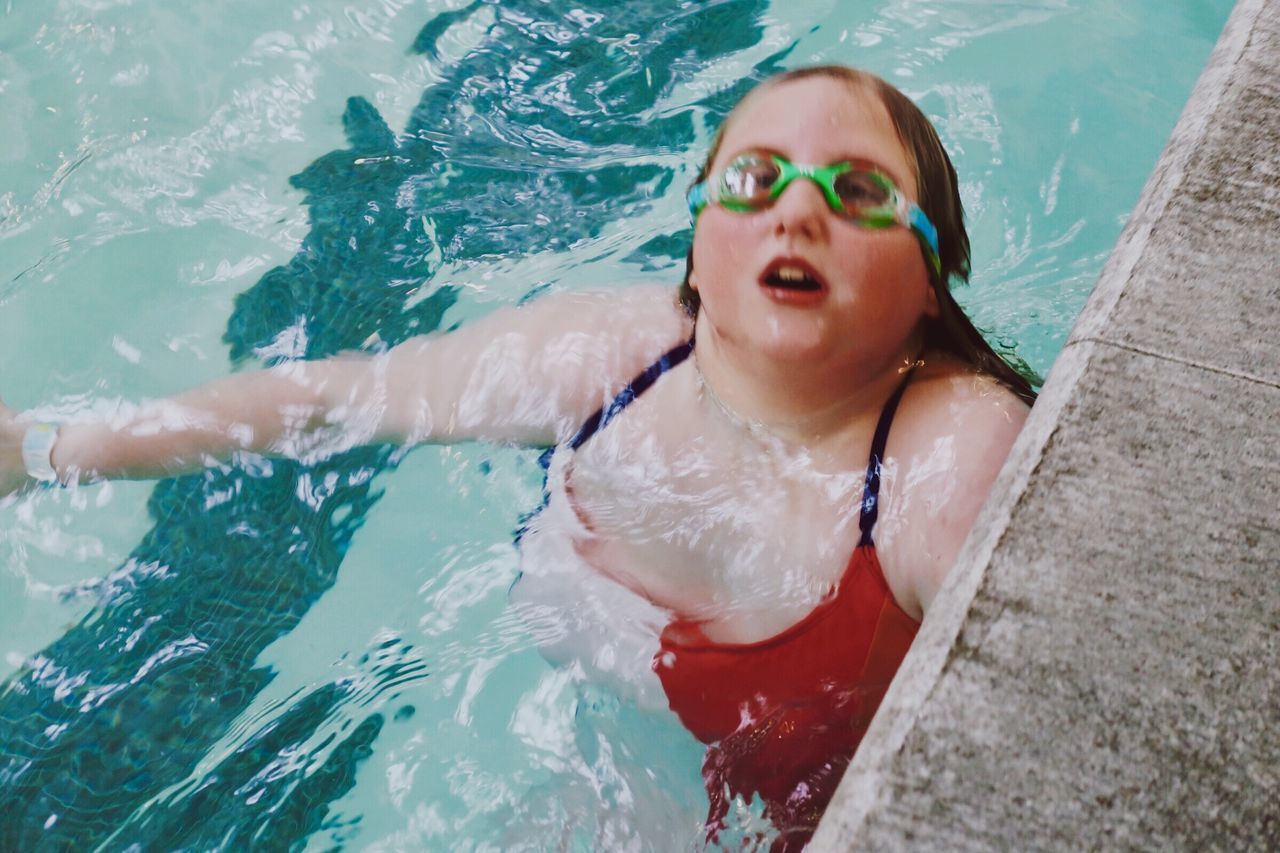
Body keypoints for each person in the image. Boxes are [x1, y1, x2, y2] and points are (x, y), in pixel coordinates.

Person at [0, 65, 1033, 849]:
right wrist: (46, 447)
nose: (794, 208)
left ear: (931, 285)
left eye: (855, 192)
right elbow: (341, 399)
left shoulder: (944, 461)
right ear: (695, 237)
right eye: (754, 178)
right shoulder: (614, 358)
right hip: (613, 768)